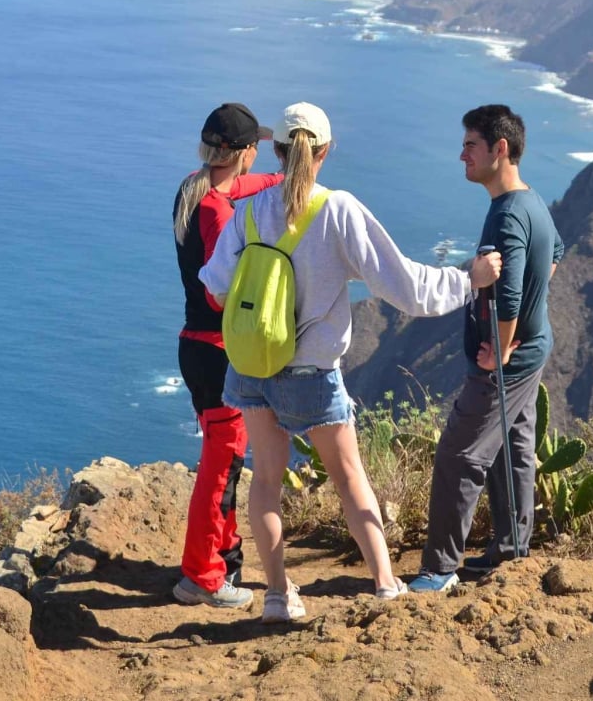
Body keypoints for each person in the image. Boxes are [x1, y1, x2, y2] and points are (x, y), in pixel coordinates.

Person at [200, 102, 502, 622]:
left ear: (276, 151)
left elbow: (215, 290)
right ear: (324, 151)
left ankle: (276, 596)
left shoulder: (249, 211)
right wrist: (468, 280)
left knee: (266, 484)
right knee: (348, 478)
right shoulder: (336, 209)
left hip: (250, 366)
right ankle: (385, 585)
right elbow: (406, 289)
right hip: (312, 372)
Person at [410, 104, 564, 592]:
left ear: (501, 149)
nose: (461, 156)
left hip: (508, 361)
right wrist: (523, 328)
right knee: (513, 447)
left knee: (460, 453)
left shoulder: (509, 215)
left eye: (470, 145)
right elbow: (555, 254)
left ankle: (439, 570)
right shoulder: (529, 202)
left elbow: (511, 293)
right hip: (531, 349)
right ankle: (512, 552)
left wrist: (499, 350)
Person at [171, 103, 283, 608]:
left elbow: (237, 186)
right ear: (243, 152)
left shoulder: (194, 190)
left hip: (194, 348)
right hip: (218, 353)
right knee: (222, 468)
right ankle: (202, 576)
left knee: (225, 462)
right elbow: (218, 293)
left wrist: (283, 179)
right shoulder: (217, 212)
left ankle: (221, 560)